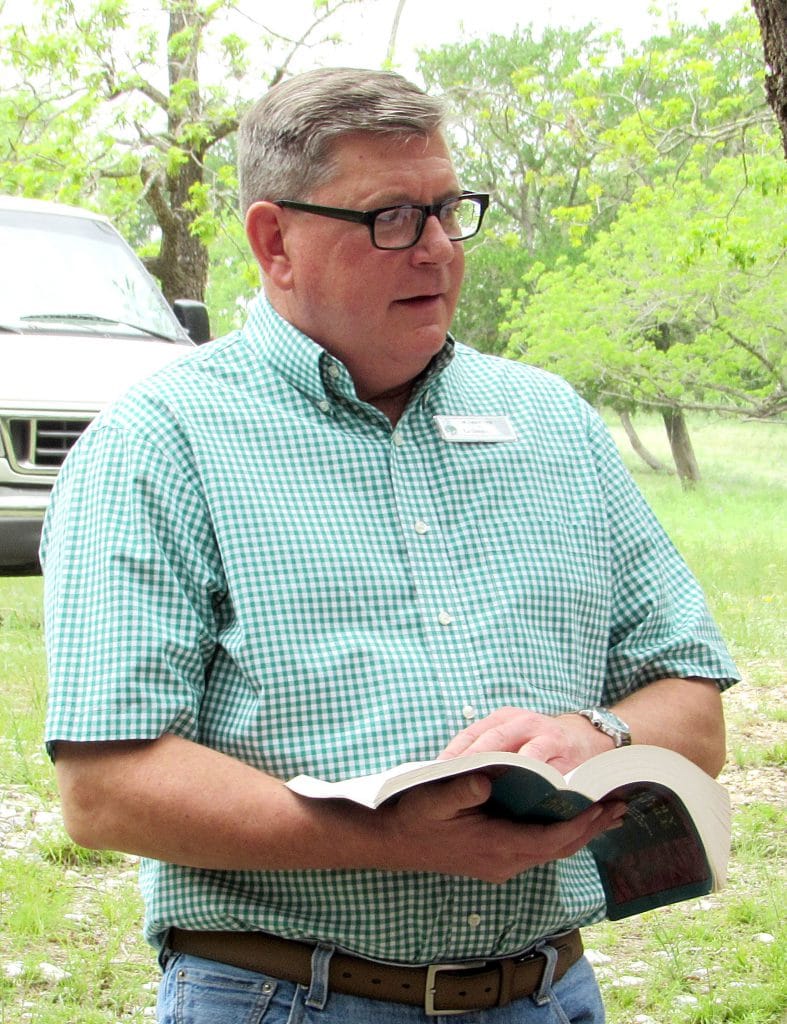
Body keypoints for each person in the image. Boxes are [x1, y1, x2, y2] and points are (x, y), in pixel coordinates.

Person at [42, 67, 739, 1023]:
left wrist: (595, 736)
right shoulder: (160, 443)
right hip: (286, 996)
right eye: (392, 218)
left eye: (450, 210)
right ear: (272, 240)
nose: (440, 251)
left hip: (548, 993)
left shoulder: (551, 423)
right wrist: (394, 837)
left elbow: (694, 712)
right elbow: (106, 790)